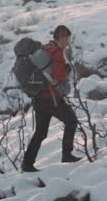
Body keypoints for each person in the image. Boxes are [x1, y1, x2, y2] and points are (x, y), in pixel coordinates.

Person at [22, 25, 81, 172]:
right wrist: (67, 70)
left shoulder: (46, 48)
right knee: (71, 121)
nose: (68, 42)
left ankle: (27, 163)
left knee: (40, 133)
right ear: (61, 37)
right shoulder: (57, 53)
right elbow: (59, 76)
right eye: (67, 39)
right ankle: (67, 155)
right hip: (51, 98)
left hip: (39, 98)